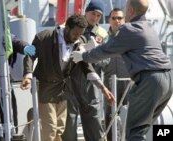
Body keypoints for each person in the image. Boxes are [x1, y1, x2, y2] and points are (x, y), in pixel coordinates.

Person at [71, 0, 173, 140]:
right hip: (168, 78)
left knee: (134, 131)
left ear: (130, 10)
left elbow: (106, 50)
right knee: (146, 127)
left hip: (149, 80)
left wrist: (83, 56)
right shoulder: (149, 27)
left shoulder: (128, 29)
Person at [20, 14, 114, 141]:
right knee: (50, 129)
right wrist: (28, 75)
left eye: (80, 34)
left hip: (63, 91)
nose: (77, 38)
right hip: (45, 89)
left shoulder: (79, 41)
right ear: (67, 28)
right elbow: (30, 55)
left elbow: (86, 67)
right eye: (75, 34)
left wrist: (103, 88)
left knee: (60, 129)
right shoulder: (43, 37)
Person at [62, 1, 110, 141]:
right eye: (92, 13)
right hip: (71, 80)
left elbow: (106, 61)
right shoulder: (71, 27)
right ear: (86, 12)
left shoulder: (102, 34)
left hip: (91, 82)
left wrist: (94, 55)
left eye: (98, 15)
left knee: (93, 120)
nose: (94, 17)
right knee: (69, 121)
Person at [102, 8, 130, 141]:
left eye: (119, 18)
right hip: (109, 83)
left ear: (124, 20)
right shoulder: (103, 38)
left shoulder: (131, 37)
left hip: (128, 82)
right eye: (114, 18)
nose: (117, 21)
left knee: (129, 115)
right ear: (109, 20)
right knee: (109, 116)